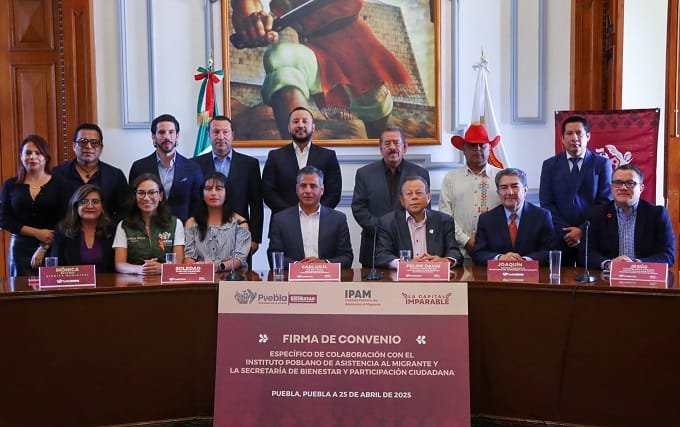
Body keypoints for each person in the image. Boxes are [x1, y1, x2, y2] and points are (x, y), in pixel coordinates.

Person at [230, 0, 412, 138]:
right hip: (316, 54)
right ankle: (299, 157)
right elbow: (248, 7)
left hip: (357, 52)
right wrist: (251, 21)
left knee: (376, 113)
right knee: (281, 56)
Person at [351, 126, 430, 267]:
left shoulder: (420, 173)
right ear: (380, 148)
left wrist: (402, 229)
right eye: (387, 143)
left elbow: (425, 208)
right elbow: (359, 208)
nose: (392, 147)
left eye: (396, 143)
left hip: (410, 245)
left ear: (405, 147)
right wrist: (383, 229)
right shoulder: (364, 173)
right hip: (374, 245)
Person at [539, 115, 612, 265]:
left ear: (588, 136)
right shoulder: (550, 165)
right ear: (562, 138)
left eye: (579, 133)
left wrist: (582, 230)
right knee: (559, 278)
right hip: (559, 237)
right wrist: (566, 231)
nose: (574, 138)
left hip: (590, 237)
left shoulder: (601, 164)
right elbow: (546, 203)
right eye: (569, 133)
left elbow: (604, 203)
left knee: (590, 278)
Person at [193, 116, 263, 256]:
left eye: (225, 132)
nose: (221, 137)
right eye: (216, 132)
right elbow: (194, 202)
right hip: (205, 236)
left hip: (240, 234)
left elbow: (256, 204)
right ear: (208, 135)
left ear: (233, 135)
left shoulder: (249, 164)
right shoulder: (195, 164)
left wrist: (255, 238)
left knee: (240, 270)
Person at [583, 164, 675, 269]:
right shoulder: (597, 214)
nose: (623, 188)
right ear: (611, 187)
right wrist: (609, 264)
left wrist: (637, 264)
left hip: (644, 275)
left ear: (641, 188)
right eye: (618, 183)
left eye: (630, 183)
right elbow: (585, 253)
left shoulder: (657, 214)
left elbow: (668, 255)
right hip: (607, 275)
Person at [0, 135, 69, 276]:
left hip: (53, 246)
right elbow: (4, 219)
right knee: (21, 288)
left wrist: (44, 247)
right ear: (21, 156)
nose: (32, 157)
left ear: (46, 157)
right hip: (20, 249)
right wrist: (37, 233)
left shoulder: (60, 184)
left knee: (51, 288)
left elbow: (66, 218)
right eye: (28, 153)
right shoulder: (10, 185)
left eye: (38, 153)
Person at [267, 166, 353, 269]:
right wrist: (299, 266)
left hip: (327, 277)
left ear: (322, 190)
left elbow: (347, 257)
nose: (308, 190)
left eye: (313, 186)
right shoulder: (281, 220)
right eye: (303, 186)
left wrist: (324, 263)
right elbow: (274, 256)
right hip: (293, 277)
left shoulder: (338, 219)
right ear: (297, 189)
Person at [261, 107, 342, 213]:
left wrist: (314, 213)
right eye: (295, 121)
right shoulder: (275, 156)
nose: (300, 125)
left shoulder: (328, 156)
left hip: (319, 219)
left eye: (305, 121)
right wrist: (292, 214)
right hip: (283, 219)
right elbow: (268, 192)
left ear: (313, 127)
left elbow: (334, 193)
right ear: (289, 127)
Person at [439, 123, 502, 258]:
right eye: (472, 145)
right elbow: (445, 216)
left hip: (495, 253)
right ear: (464, 149)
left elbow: (509, 213)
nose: (477, 149)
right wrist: (466, 240)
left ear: (489, 148)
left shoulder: (502, 177)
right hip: (457, 253)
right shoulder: (451, 178)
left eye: (482, 145)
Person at [375, 176, 462, 269]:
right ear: (402, 200)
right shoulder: (388, 222)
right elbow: (382, 255)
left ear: (428, 197)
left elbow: (454, 252)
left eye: (419, 193)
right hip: (402, 277)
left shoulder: (444, 221)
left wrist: (445, 261)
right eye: (409, 194)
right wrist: (405, 263)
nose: (414, 197)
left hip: (434, 275)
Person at [128, 114, 203, 222]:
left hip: (183, 228)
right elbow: (132, 203)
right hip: (148, 227)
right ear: (153, 136)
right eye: (161, 132)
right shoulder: (139, 167)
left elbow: (197, 204)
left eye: (171, 132)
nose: (167, 137)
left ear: (177, 135)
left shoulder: (193, 168)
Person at [473, 168, 555, 265]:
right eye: (504, 188)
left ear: (525, 190)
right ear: (498, 192)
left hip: (532, 273)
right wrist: (500, 258)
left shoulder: (542, 216)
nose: (510, 192)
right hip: (498, 273)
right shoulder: (486, 219)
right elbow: (479, 253)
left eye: (515, 186)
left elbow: (550, 251)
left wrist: (524, 261)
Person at [52, 123, 129, 220]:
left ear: (101, 148)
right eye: (83, 142)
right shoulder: (56, 174)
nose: (88, 146)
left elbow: (124, 211)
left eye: (94, 142)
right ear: (74, 146)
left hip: (105, 229)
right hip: (66, 228)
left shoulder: (115, 176)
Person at [113, 173, 185, 275]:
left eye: (152, 192)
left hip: (166, 280)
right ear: (135, 196)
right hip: (134, 280)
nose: (146, 198)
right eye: (141, 193)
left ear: (160, 196)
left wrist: (162, 268)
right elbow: (119, 264)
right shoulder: (124, 225)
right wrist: (140, 269)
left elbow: (178, 263)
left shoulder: (176, 223)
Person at [184, 172, 252, 272]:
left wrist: (217, 267)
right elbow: (189, 257)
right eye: (208, 189)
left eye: (219, 189)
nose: (213, 193)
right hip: (200, 276)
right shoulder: (192, 223)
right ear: (202, 194)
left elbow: (239, 259)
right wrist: (196, 268)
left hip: (232, 277)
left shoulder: (240, 223)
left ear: (226, 193)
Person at [50, 184, 115, 272]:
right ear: (76, 206)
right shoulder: (63, 230)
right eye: (84, 202)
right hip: (72, 280)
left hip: (107, 280)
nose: (90, 206)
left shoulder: (111, 230)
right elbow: (56, 267)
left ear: (102, 206)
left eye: (95, 202)